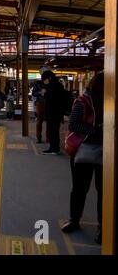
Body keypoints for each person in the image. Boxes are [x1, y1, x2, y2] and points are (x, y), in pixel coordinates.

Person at [61, 73, 104, 244]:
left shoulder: (112, 101)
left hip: (106, 151)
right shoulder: (83, 101)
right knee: (80, 188)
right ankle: (74, 220)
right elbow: (73, 124)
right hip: (84, 151)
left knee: (105, 191)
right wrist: (97, 130)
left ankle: (103, 226)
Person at [41, 70, 65, 154]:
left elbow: (53, 99)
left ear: (49, 78)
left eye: (45, 79)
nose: (44, 82)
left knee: (53, 131)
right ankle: (53, 148)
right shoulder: (56, 85)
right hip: (54, 113)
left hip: (54, 114)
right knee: (52, 131)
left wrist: (45, 93)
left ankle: (54, 149)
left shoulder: (54, 86)